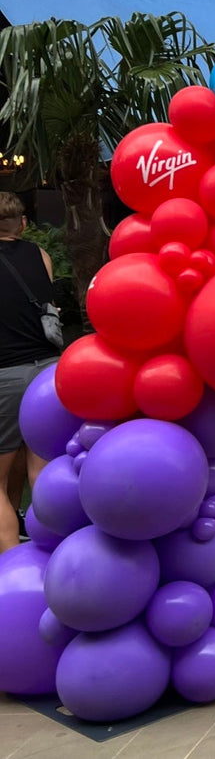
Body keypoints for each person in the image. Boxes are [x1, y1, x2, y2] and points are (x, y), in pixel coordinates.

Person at [0, 194, 62, 552]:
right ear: (23, 223)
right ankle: (52, 549)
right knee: (42, 469)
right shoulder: (40, 256)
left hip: (5, 373)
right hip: (47, 372)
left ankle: (10, 562)